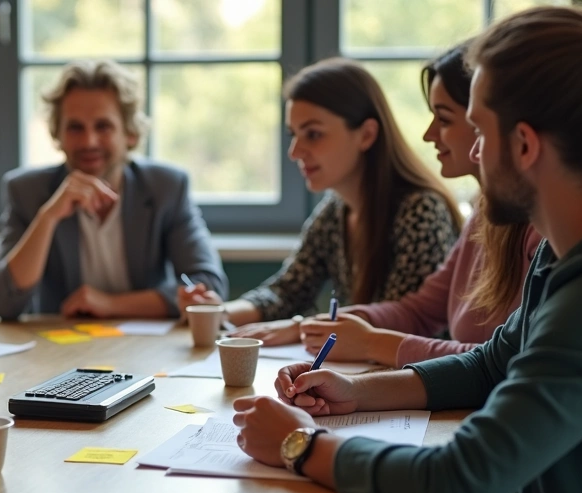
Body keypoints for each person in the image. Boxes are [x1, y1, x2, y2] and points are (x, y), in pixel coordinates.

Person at [229, 3, 582, 493]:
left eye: (479, 130)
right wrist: (357, 389)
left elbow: (458, 485)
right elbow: (493, 363)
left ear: (524, 144)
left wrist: (300, 445)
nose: (471, 150)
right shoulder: (568, 246)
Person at [179, 59, 462, 345]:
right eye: (294, 134)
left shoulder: (420, 211)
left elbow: (403, 325)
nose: (295, 151)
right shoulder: (335, 209)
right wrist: (217, 311)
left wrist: (301, 327)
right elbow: (286, 291)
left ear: (366, 135)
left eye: (313, 134)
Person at [299, 43, 542, 369]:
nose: (429, 134)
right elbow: (420, 310)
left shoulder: (544, 229)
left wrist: (371, 342)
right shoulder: (485, 214)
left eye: (443, 119)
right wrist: (334, 325)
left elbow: (511, 361)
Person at [0, 59, 227, 322]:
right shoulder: (28, 191)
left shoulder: (165, 187)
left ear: (130, 134)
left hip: (149, 349)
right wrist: (48, 217)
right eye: (75, 128)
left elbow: (208, 286)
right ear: (58, 135)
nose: (89, 141)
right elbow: (2, 303)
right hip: (59, 351)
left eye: (103, 126)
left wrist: (110, 304)